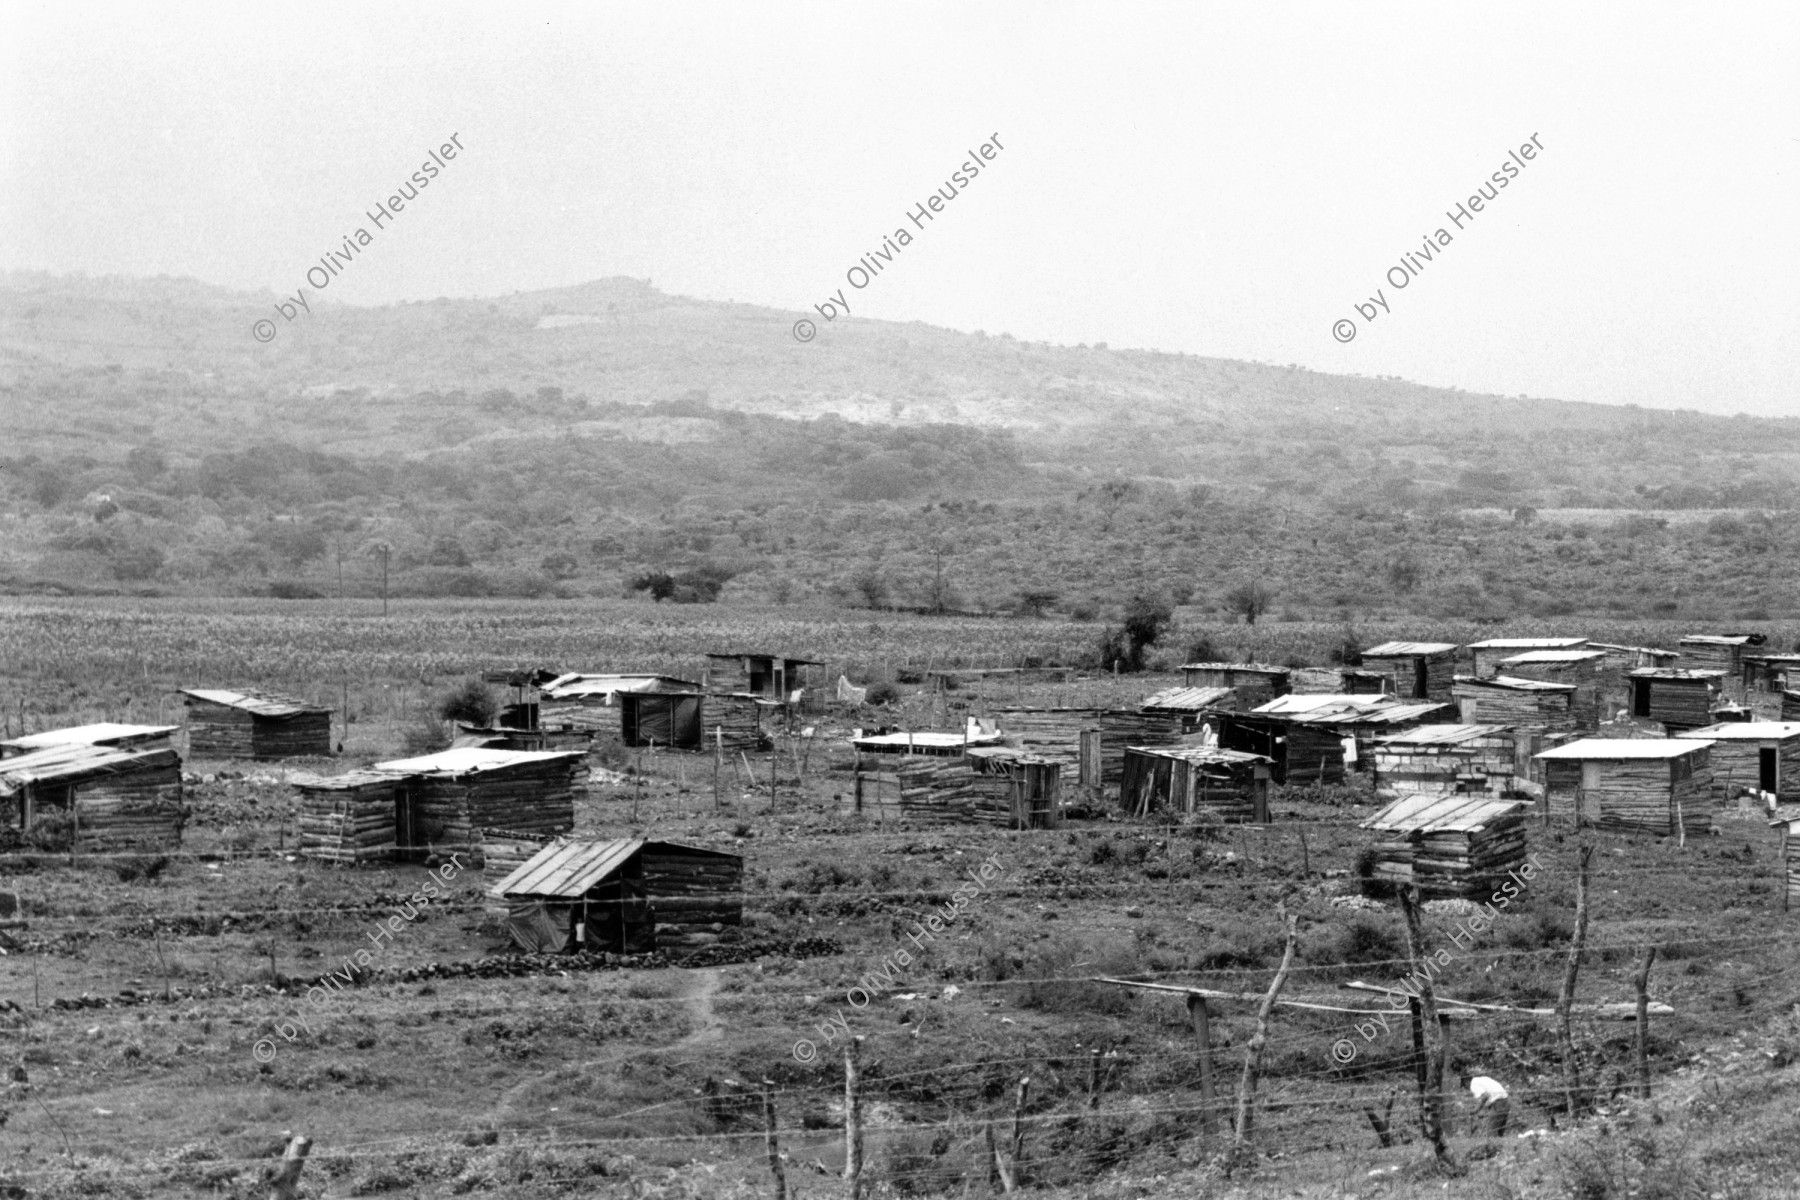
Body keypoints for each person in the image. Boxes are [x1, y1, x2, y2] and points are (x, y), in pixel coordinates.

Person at [1460, 1069, 1510, 1137]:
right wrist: (1484, 1110)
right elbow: (1489, 1096)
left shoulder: (1473, 1085)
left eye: (1464, 1086)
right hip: (1505, 1101)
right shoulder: (1480, 1079)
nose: (1466, 1088)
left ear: (1466, 1081)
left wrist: (1477, 1110)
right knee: (1499, 1132)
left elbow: (1485, 1096)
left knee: (1491, 1131)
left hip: (1498, 1102)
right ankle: (1500, 1146)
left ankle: (1492, 1146)